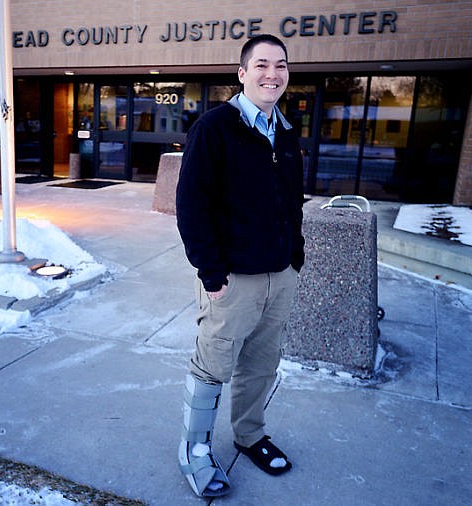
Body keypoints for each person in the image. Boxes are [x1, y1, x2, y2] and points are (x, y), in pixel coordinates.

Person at [175, 33, 305, 497]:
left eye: (282, 65)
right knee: (212, 366)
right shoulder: (214, 128)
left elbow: (292, 201)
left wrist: (295, 257)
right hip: (231, 281)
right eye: (263, 65)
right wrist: (212, 275)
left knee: (261, 365)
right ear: (242, 73)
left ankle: (250, 436)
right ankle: (194, 451)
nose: (273, 74)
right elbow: (191, 206)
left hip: (279, 275)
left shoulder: (286, 131)